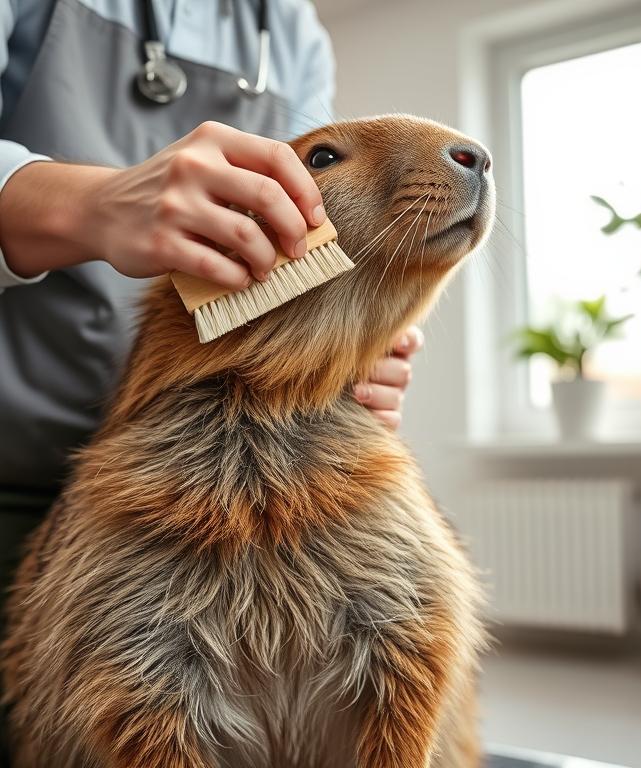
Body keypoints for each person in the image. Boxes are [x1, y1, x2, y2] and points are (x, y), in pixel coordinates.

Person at [0, 2, 420, 760]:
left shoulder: (288, 29)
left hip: (239, 472)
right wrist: (92, 206)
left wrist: (356, 349)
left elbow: (307, 242)